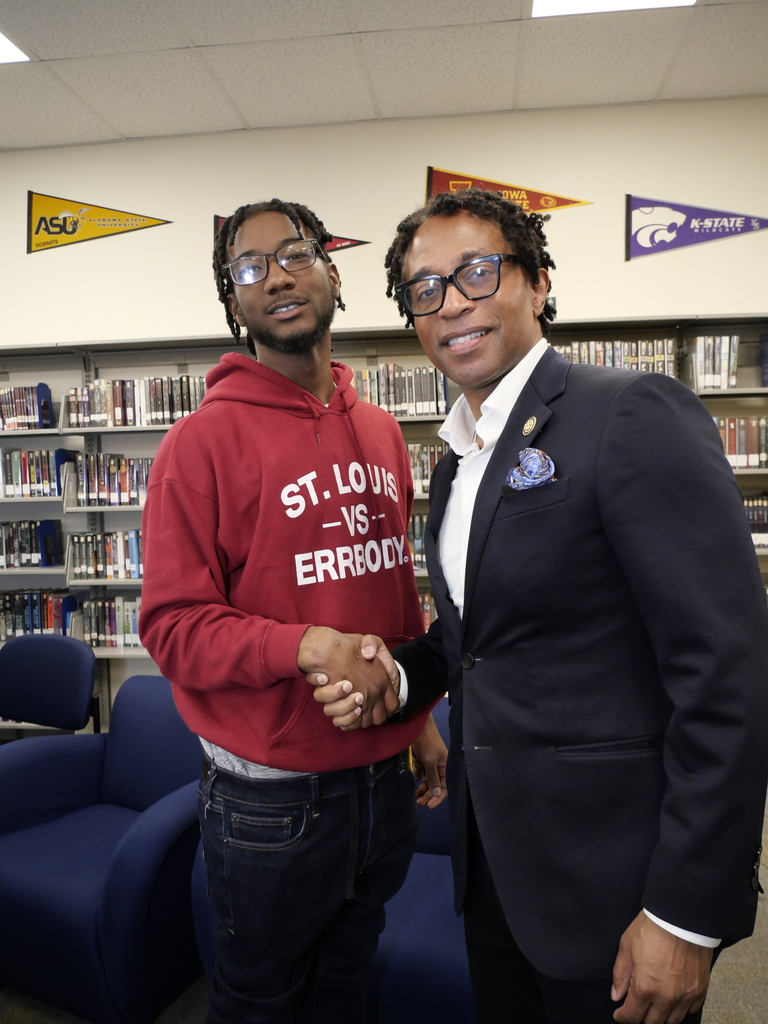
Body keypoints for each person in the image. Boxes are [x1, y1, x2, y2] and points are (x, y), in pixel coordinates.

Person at [310, 188, 768, 1024]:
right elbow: (473, 641)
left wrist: (686, 911)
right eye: (425, 290)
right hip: (493, 874)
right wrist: (394, 678)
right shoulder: (454, 462)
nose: (451, 304)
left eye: (477, 273)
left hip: (616, 886)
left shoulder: (628, 414)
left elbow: (730, 676)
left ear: (538, 284)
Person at [139, 197, 446, 1024]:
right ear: (232, 301)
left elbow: (391, 593)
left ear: (334, 272)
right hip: (271, 802)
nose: (275, 274)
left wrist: (415, 715)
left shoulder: (381, 431)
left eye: (296, 253)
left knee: (348, 983)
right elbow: (171, 628)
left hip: (381, 785)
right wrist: (309, 644)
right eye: (248, 266)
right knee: (259, 1003)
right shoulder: (196, 445)